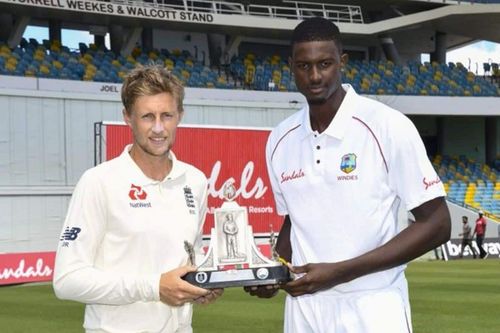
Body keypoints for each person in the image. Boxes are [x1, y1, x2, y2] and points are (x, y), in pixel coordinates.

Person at [245, 17, 451, 333]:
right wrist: (274, 272)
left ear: (342, 62)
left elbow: (437, 224)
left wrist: (340, 272)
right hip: (306, 309)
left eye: (325, 63)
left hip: (373, 305)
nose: (314, 76)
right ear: (291, 67)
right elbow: (293, 220)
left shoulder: (387, 126)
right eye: (304, 66)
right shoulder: (280, 139)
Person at [53, 64, 223, 333]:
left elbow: (190, 253)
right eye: (147, 117)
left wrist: (202, 282)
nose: (158, 128)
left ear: (180, 115)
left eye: (166, 115)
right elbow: (66, 280)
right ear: (128, 117)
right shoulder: (99, 182)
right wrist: (154, 287)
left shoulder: (195, 180)